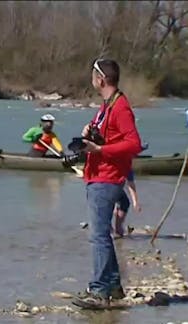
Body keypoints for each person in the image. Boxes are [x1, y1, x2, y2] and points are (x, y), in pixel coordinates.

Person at [73, 59, 143, 308]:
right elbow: (106, 132)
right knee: (101, 233)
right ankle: (113, 286)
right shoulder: (106, 106)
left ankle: (99, 290)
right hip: (98, 175)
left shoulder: (120, 106)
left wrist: (100, 148)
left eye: (93, 75)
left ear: (100, 79)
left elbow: (134, 143)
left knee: (98, 235)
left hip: (107, 176)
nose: (92, 79)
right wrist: (88, 132)